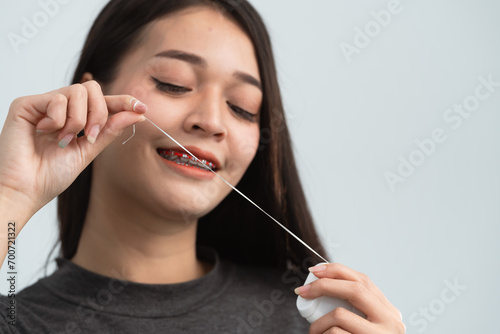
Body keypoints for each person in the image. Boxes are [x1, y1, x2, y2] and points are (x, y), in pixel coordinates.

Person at [0, 0, 405, 333]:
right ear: (92, 95)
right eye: (173, 83)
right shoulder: (19, 323)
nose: (211, 121)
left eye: (242, 108)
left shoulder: (312, 322)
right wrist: (10, 193)